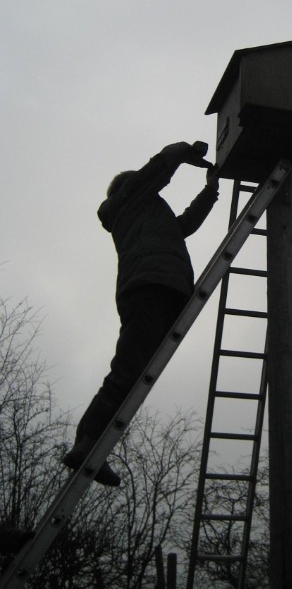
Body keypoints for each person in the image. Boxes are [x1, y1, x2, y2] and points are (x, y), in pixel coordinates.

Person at [63, 141, 219, 487]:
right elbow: (159, 167)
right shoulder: (131, 197)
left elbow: (186, 224)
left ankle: (93, 447)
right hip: (151, 286)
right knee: (128, 371)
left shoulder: (149, 215)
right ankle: (86, 443)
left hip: (165, 288)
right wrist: (185, 151)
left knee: (134, 375)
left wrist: (210, 190)